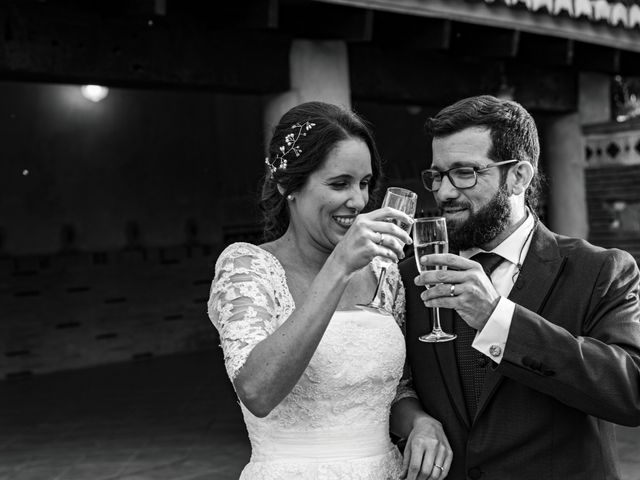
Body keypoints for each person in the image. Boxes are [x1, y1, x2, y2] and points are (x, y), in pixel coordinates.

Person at [399, 94, 640, 480]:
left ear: (519, 176)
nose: (443, 192)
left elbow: (629, 390)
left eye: (465, 173)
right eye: (437, 175)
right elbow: (395, 385)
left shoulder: (600, 269)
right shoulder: (412, 274)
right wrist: (415, 421)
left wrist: (498, 320)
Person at [208, 101, 451, 479]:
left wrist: (420, 422)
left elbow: (395, 390)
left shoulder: (384, 274)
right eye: (339, 183)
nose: (357, 201)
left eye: (365, 183)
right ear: (288, 184)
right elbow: (257, 391)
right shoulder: (246, 267)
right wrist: (339, 267)